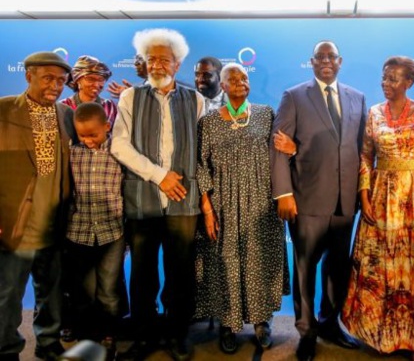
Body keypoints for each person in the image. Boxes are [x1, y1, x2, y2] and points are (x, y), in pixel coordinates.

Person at [341, 56, 414, 360]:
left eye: (394, 78)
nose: (386, 83)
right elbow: (366, 157)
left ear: (409, 82)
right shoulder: (374, 113)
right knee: (382, 268)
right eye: (384, 77)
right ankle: (383, 336)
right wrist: (364, 195)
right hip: (381, 199)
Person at [110, 28, 205, 361]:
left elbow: (202, 149)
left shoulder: (195, 99)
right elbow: (118, 144)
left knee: (181, 274)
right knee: (143, 274)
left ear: (177, 64)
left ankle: (178, 334)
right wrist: (159, 175)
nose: (156, 64)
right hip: (143, 199)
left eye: (164, 59)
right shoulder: (130, 97)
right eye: (151, 58)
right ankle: (144, 336)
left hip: (183, 201)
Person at [270, 40, 367, 361]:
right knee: (306, 269)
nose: (326, 61)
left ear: (340, 61)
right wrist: (283, 193)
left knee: (338, 270)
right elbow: (278, 147)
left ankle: (329, 323)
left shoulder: (358, 98)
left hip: (345, 202)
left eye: (331, 57)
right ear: (311, 62)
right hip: (306, 200)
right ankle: (306, 330)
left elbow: (360, 150)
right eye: (320, 57)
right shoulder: (294, 96)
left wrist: (363, 196)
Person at [195, 62, 290, 354]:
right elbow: (201, 166)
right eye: (232, 79)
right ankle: (228, 323)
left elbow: (279, 156)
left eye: (244, 78)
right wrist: (207, 209)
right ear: (222, 86)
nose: (239, 82)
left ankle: (261, 322)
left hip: (261, 202)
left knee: (259, 262)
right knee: (225, 264)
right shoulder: (208, 121)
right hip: (223, 204)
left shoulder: (266, 114)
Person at [0, 51, 73, 360]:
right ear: (28, 75)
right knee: (9, 293)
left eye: (60, 80)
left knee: (52, 290)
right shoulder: (3, 111)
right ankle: (6, 347)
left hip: (56, 219)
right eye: (48, 78)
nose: (55, 86)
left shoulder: (65, 114)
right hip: (15, 221)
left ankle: (48, 340)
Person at [64, 102, 125, 359]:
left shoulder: (120, 152)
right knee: (84, 291)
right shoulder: (72, 153)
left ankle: (108, 336)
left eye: (93, 135)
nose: (88, 140)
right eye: (82, 135)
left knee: (108, 291)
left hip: (112, 233)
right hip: (78, 233)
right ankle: (87, 337)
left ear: (107, 127)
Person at [61, 55, 118, 127]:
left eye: (100, 80)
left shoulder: (110, 107)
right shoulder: (64, 107)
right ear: (77, 79)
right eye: (91, 79)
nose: (96, 85)